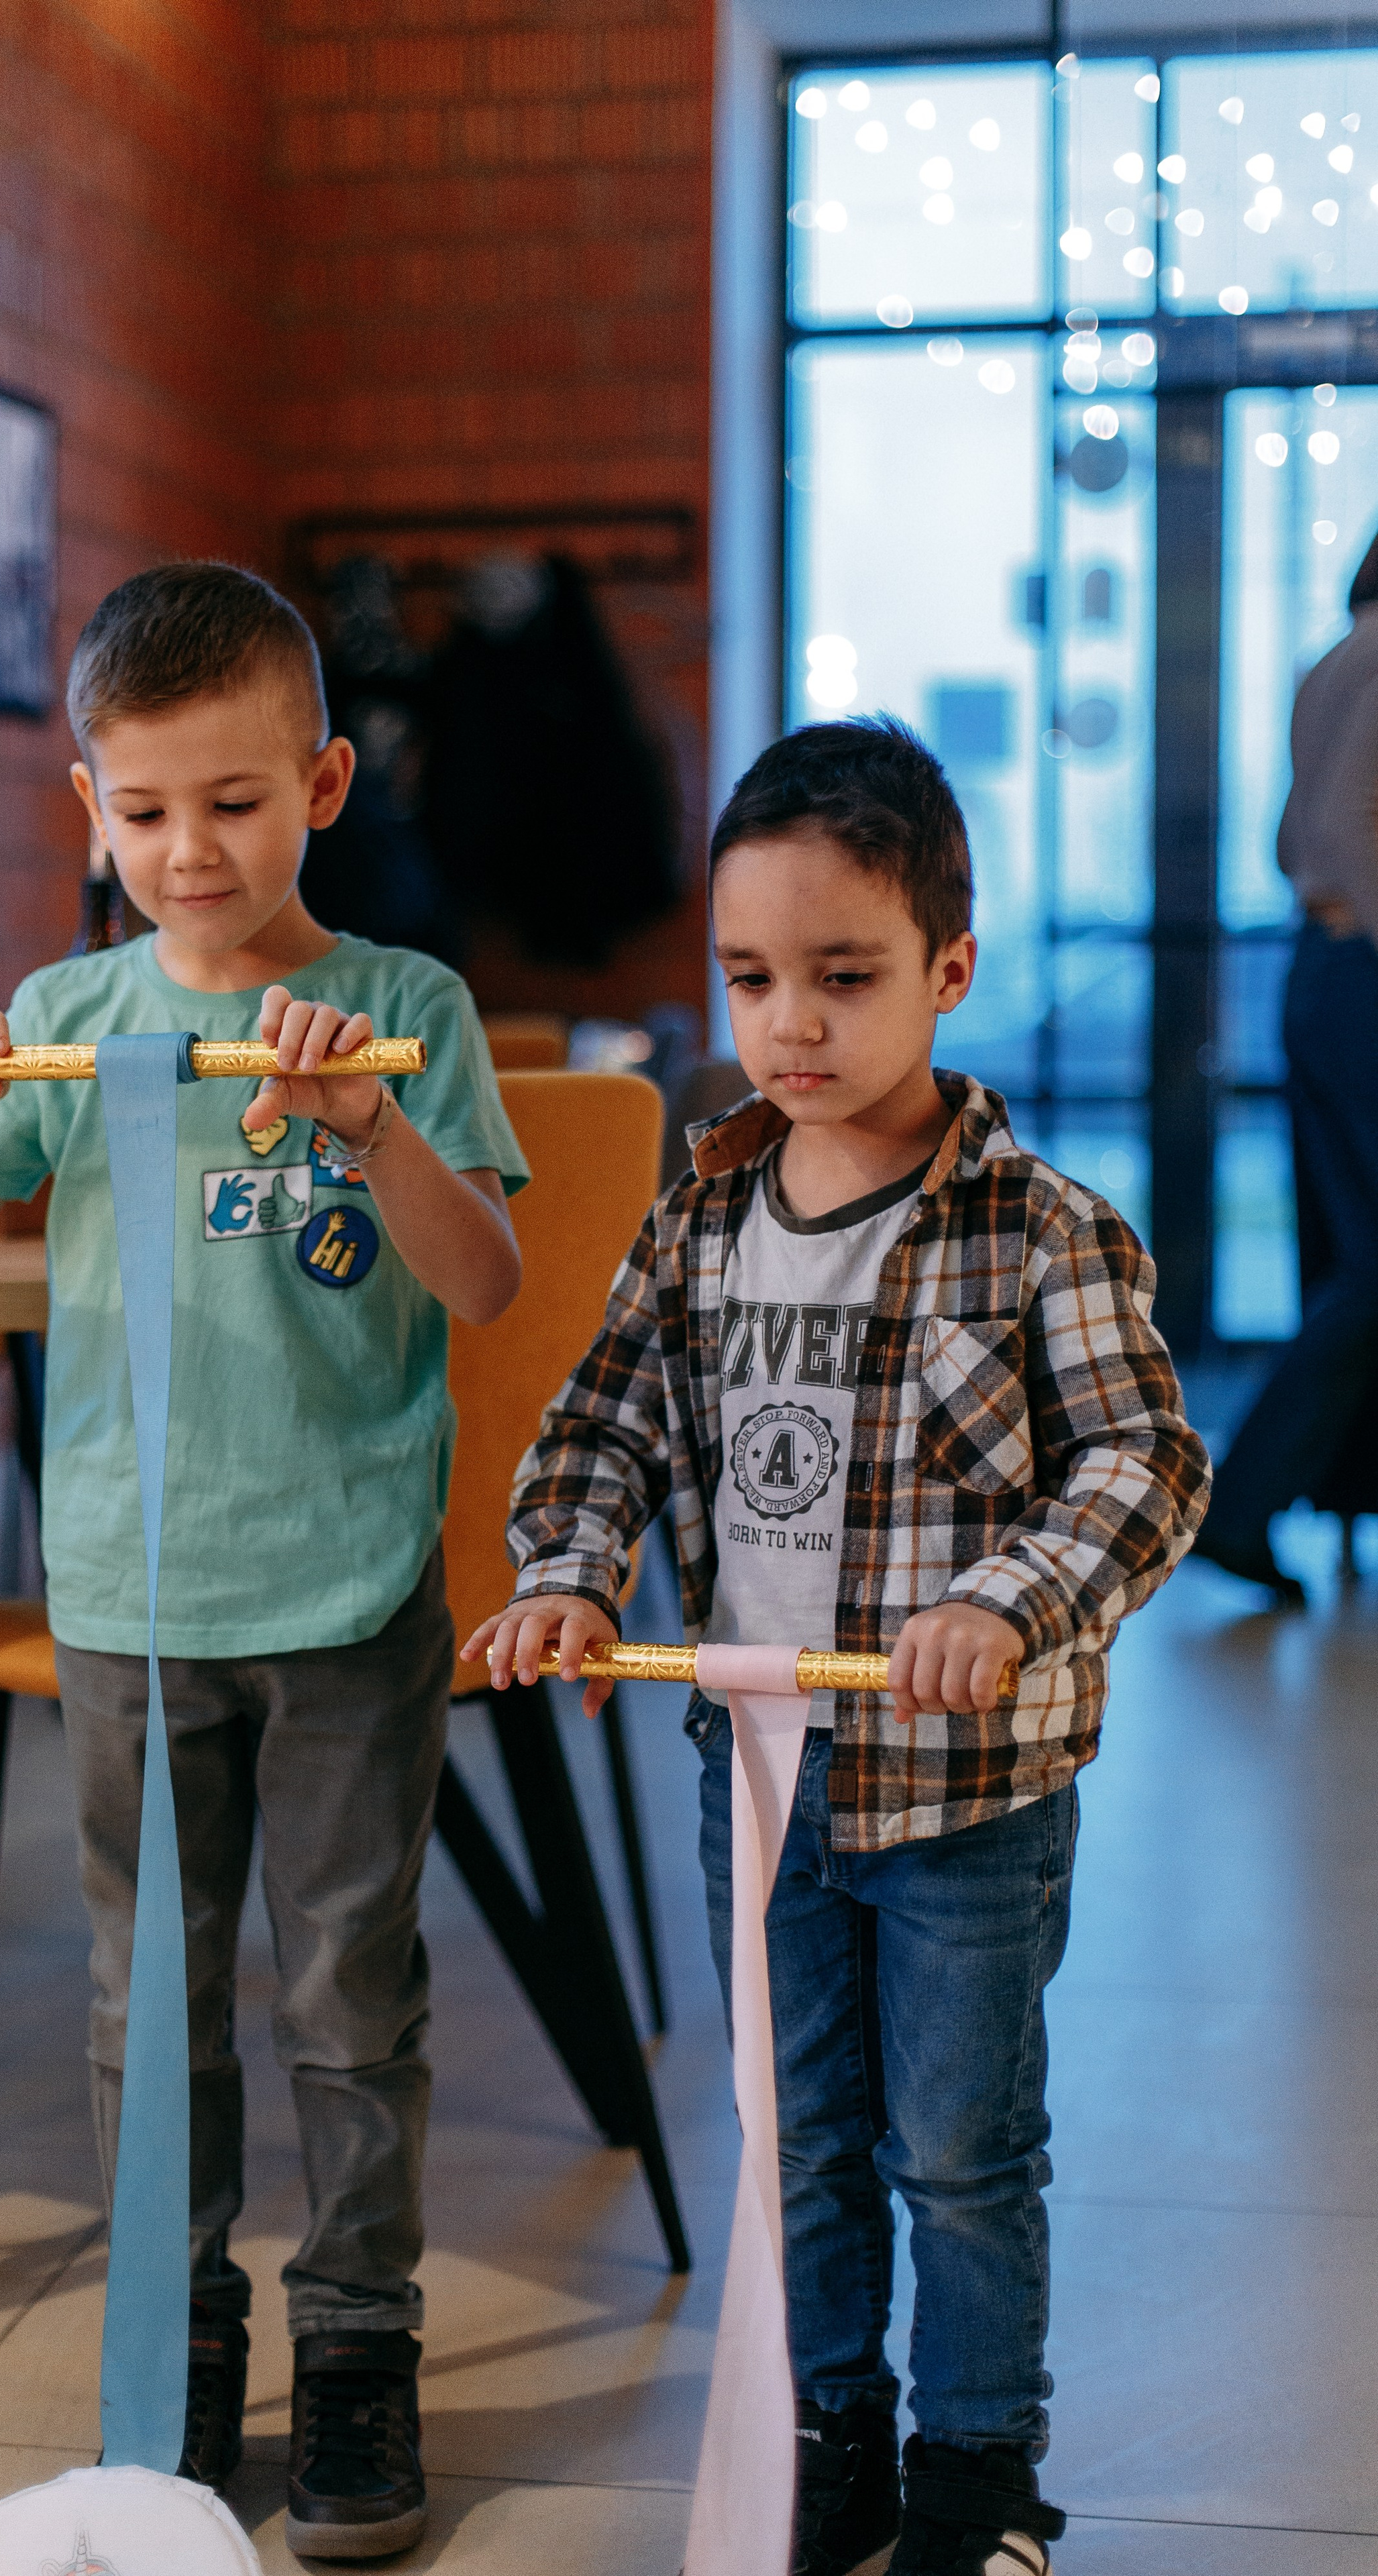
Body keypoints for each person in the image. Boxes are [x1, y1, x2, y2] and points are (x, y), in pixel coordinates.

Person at [465, 718, 1210, 2576]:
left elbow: (1147, 1461)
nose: (789, 1023)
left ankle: (979, 2479)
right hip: (765, 1788)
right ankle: (832, 2447)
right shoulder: (704, 1215)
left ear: (950, 973)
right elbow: (602, 1425)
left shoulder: (1041, 1234)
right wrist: (568, 1567)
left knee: (957, 2153)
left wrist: (1007, 1602)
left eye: (844, 977)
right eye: (750, 978)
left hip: (966, 1795)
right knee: (796, 2143)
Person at [0, 561, 527, 2561]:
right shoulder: (64, 1026)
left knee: (347, 1997)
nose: (188, 850)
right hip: (135, 1603)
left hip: (346, 1593)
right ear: (87, 809)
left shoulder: (406, 1010)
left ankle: (356, 2355)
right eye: (141, 811)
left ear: (322, 783)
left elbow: (486, 1280)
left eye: (233, 802)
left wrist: (369, 1129)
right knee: (154, 2011)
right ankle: (176, 2357)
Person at [1193, 527, 1378, 1600]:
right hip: (1362, 974)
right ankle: (1244, 1498)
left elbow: (1289, 837)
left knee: (1348, 1257)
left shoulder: (1337, 653)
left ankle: (1301, 1499)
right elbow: (1352, 823)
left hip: (1325, 968)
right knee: (1370, 1268)